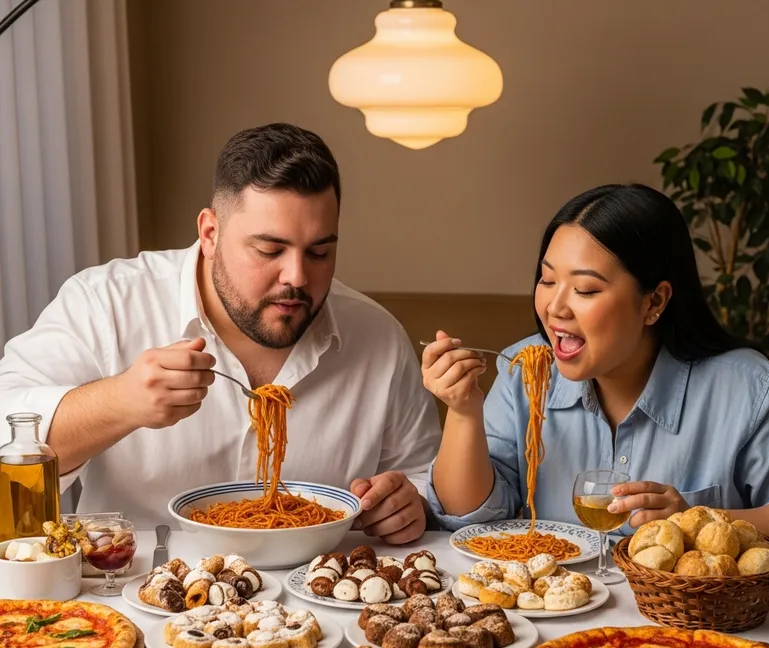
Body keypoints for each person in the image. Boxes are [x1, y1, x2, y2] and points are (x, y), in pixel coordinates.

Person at [0, 123, 441, 543]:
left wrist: (409, 503)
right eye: (270, 249)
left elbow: (422, 475)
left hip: (318, 598)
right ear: (210, 233)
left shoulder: (377, 335)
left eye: (320, 252)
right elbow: (6, 431)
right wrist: (120, 401)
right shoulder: (105, 303)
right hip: (134, 594)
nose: (298, 277)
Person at [422, 183, 769, 540]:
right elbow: (470, 514)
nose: (554, 308)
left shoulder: (754, 390)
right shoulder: (525, 370)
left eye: (585, 289)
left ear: (653, 302)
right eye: (548, 280)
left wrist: (694, 519)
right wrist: (463, 410)